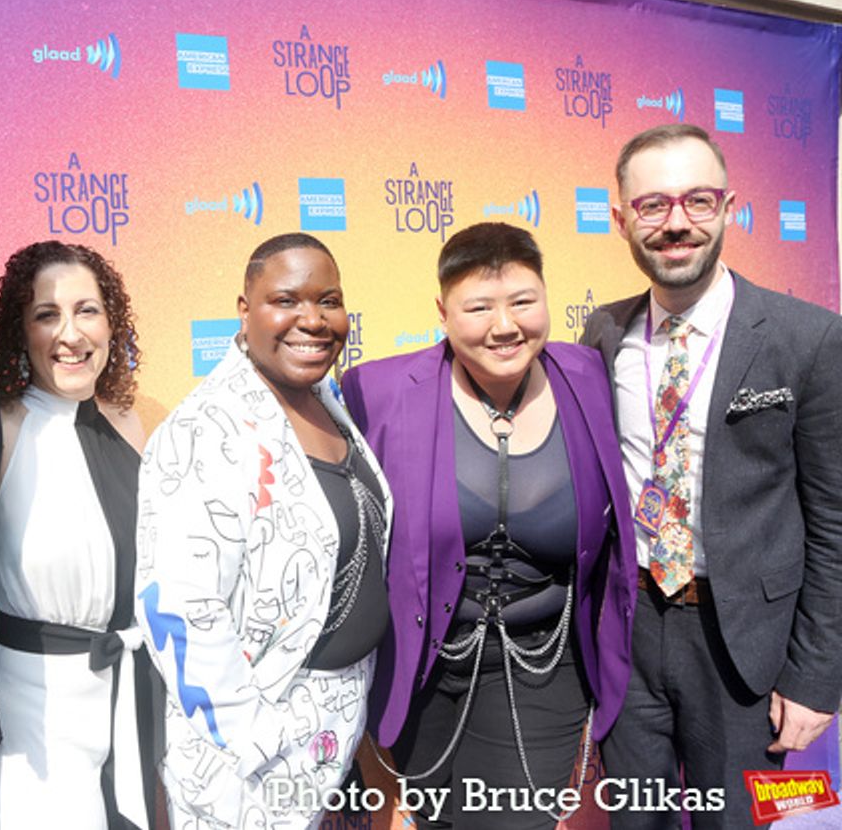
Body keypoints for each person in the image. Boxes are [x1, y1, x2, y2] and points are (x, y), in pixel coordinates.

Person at [582, 123, 842, 828]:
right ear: (621, 220)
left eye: (698, 201)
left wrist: (817, 677)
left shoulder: (807, 338)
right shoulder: (602, 333)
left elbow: (834, 523)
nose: (677, 224)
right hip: (629, 631)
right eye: (653, 205)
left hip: (746, 645)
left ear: (729, 208)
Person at [343, 223, 636, 829]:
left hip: (542, 666)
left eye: (523, 302)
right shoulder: (377, 389)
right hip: (422, 669)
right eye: (479, 308)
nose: (505, 326)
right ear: (442, 312)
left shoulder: (590, 377)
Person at [135, 233, 392, 828]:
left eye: (328, 300)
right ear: (245, 310)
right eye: (286, 300)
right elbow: (178, 607)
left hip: (335, 728)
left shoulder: (325, 401)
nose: (313, 319)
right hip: (249, 754)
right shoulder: (204, 429)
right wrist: (257, 738)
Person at [0, 241, 156, 829]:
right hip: (35, 704)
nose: (71, 334)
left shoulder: (135, 421)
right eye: (47, 314)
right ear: (20, 332)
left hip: (137, 690)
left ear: (112, 323)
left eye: (87, 311)